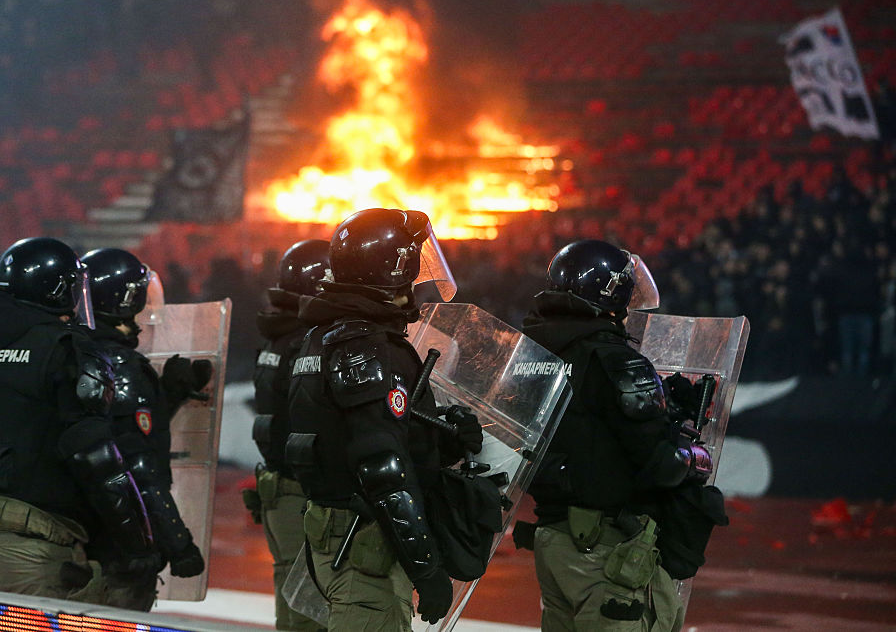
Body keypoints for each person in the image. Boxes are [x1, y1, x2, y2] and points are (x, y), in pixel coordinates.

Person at [0, 237, 158, 601]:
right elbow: (95, 458)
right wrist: (138, 548)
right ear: (56, 290)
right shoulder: (66, 350)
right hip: (34, 542)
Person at [287, 208, 479, 631]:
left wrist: (444, 432)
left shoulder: (323, 336)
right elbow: (382, 468)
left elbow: (353, 435)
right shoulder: (368, 346)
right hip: (365, 546)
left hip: (336, 532)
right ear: (394, 267)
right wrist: (426, 570)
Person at [521, 239, 710, 632]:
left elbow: (586, 428)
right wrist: (693, 453)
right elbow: (662, 465)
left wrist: (665, 407)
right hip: (604, 548)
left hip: (553, 538)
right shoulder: (615, 359)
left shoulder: (535, 354)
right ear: (612, 291)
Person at [81, 247, 211, 610]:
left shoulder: (75, 355)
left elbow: (112, 431)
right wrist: (178, 542)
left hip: (79, 533)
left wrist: (166, 396)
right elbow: (136, 465)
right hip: (117, 544)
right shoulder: (121, 365)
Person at [250, 239, 331, 631]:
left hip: (277, 487)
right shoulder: (307, 344)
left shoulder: (276, 337)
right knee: (310, 609)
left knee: (291, 597)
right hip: (302, 493)